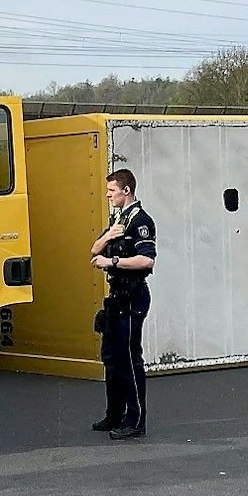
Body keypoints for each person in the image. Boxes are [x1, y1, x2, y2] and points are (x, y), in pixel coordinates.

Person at [89, 168, 157, 440]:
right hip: (116, 297)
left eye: (111, 191)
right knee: (112, 358)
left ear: (126, 191)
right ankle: (114, 413)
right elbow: (94, 249)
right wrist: (107, 238)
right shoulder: (118, 220)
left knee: (130, 359)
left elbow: (147, 260)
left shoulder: (140, 221)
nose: (108, 196)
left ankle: (135, 419)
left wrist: (112, 262)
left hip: (133, 295)